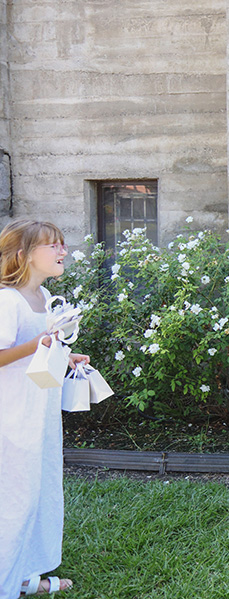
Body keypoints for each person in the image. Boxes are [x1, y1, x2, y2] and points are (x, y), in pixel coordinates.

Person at [0, 220, 90, 597]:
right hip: (12, 415)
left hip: (38, 412)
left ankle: (21, 573)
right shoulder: (8, 299)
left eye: (62, 244)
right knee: (14, 498)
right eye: (53, 245)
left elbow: (38, 348)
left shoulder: (42, 296)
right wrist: (40, 342)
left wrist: (63, 356)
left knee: (36, 491)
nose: (62, 252)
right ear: (23, 255)